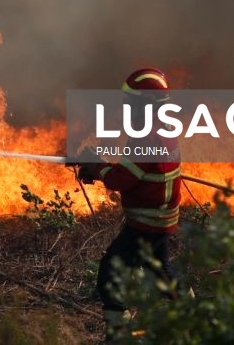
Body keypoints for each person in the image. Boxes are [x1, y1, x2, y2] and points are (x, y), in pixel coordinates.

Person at [77, 67, 182, 337]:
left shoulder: (147, 136)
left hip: (146, 225)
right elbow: (135, 168)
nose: (127, 108)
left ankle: (119, 334)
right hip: (161, 221)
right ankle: (193, 315)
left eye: (131, 103)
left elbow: (119, 179)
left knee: (110, 273)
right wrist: (99, 163)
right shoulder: (163, 129)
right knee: (162, 272)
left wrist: (96, 168)